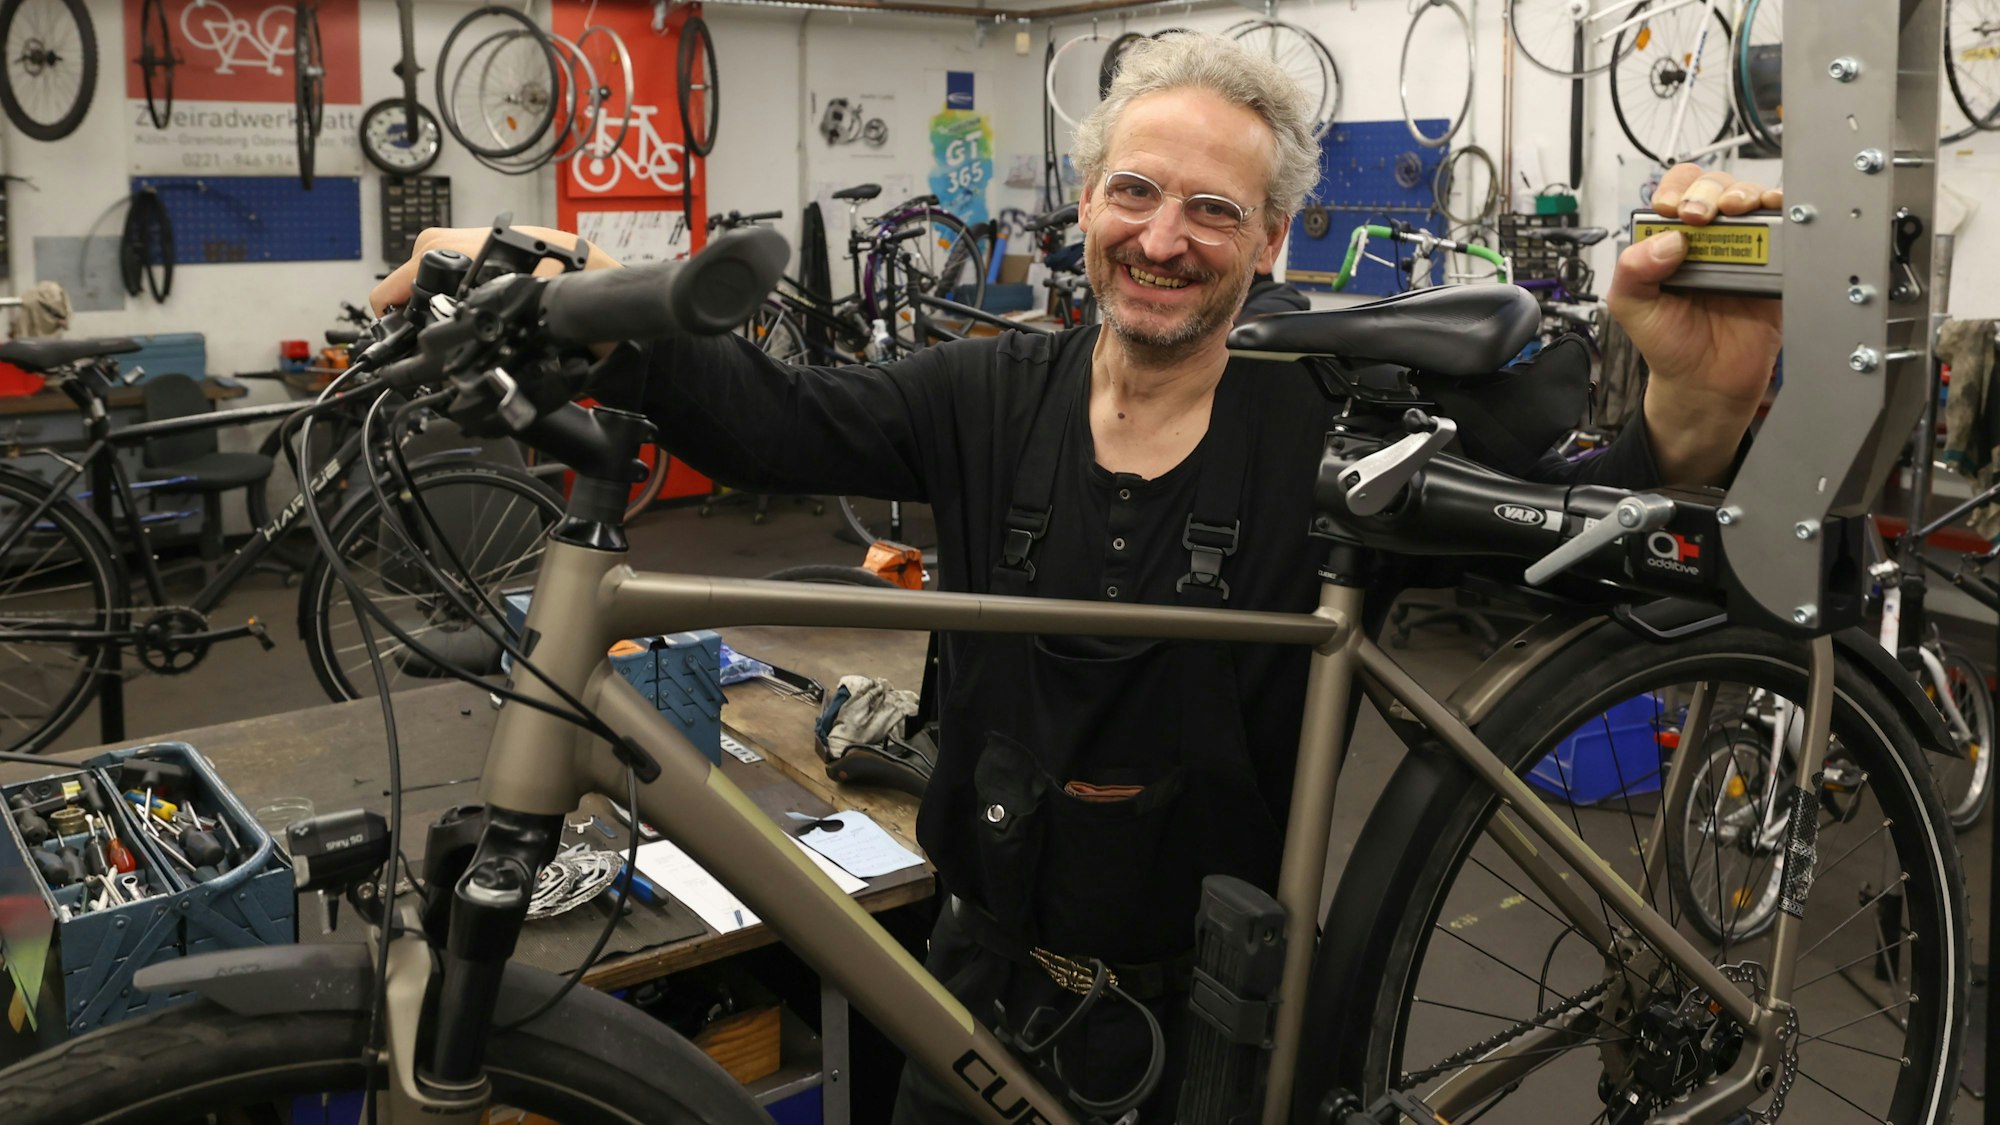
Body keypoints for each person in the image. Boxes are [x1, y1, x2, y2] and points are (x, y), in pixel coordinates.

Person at [373, 33, 1780, 1122]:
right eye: (1135, 192)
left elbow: (1579, 544)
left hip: (1232, 1023)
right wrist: (590, 297)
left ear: (1271, 240)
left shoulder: (1336, 431)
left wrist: (1700, 403)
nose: (1164, 240)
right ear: (1087, 206)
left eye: (1215, 211)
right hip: (976, 992)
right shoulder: (986, 392)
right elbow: (773, 419)